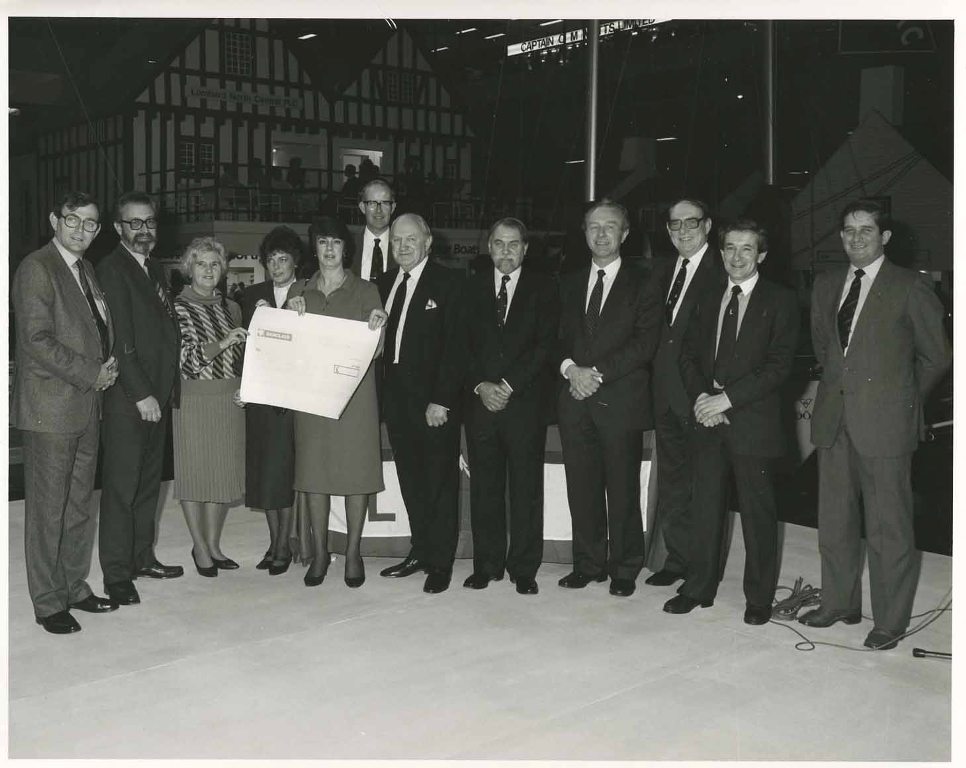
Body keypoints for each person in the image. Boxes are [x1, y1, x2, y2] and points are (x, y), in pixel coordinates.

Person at [799, 199, 951, 650]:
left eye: (866, 230)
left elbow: (938, 356)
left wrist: (901, 398)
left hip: (885, 424)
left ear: (885, 237)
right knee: (835, 520)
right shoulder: (826, 284)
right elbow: (825, 349)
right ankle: (838, 603)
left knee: (889, 527)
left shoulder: (909, 286)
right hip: (834, 420)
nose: (856, 238)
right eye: (849, 230)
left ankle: (889, 621)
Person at [665, 219, 799, 623]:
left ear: (762, 254)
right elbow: (687, 355)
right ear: (720, 252)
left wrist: (726, 399)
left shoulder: (781, 300)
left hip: (752, 422)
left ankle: (758, 598)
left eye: (747, 248)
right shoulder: (707, 295)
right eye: (730, 248)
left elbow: (779, 366)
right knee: (705, 507)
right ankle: (698, 587)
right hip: (708, 419)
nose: (737, 257)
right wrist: (702, 399)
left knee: (758, 514)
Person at [12, 191, 119, 634]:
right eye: (72, 220)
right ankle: (47, 602)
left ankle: (74, 586)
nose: (80, 230)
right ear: (55, 220)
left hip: (86, 404)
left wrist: (106, 365)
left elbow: (93, 328)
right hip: (51, 409)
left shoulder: (86, 269)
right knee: (48, 510)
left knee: (78, 505)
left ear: (98, 230)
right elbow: (36, 340)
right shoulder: (36, 268)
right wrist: (92, 372)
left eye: (90, 223)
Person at [555, 199, 662, 598]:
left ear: (625, 233)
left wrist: (594, 373)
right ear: (584, 233)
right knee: (581, 489)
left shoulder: (645, 281)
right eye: (594, 227)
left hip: (619, 400)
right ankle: (588, 564)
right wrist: (571, 369)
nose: (601, 234)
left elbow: (645, 343)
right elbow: (554, 337)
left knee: (622, 490)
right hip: (574, 399)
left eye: (610, 226)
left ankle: (624, 568)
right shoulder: (567, 282)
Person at [286, 216, 387, 588]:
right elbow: (286, 346)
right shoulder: (299, 289)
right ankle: (319, 552)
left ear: (346, 249)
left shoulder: (366, 291)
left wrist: (378, 325)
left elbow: (377, 350)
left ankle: (354, 552)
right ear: (315, 248)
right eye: (322, 242)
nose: (329, 249)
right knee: (314, 475)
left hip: (355, 398)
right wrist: (288, 315)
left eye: (336, 242)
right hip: (311, 397)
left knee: (356, 474)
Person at [462, 218, 559, 595]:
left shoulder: (544, 288)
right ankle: (486, 565)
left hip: (524, 405)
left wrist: (507, 385)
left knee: (525, 490)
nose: (506, 251)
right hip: (481, 404)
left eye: (513, 244)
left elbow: (544, 345)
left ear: (525, 249)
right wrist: (481, 385)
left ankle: (523, 568)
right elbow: (459, 343)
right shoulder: (470, 287)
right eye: (499, 243)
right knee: (484, 489)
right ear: (489, 247)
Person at [96, 192, 183, 606]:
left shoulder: (153, 268)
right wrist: (142, 393)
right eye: (134, 223)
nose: (143, 229)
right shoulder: (112, 269)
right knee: (121, 488)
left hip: (157, 396)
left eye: (149, 221)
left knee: (148, 485)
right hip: (131, 401)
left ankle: (142, 558)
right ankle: (116, 575)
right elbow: (120, 341)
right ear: (118, 228)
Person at [377, 213, 466, 593]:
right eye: (397, 240)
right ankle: (421, 551)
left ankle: (441, 563)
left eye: (411, 239)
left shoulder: (450, 282)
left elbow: (456, 346)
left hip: (433, 404)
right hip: (396, 402)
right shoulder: (384, 283)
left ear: (428, 242)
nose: (403, 246)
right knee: (411, 480)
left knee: (439, 482)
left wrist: (441, 400)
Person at [646, 197, 725, 588]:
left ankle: (701, 573)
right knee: (674, 483)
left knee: (705, 489)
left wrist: (715, 394)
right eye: (675, 224)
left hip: (702, 397)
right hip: (664, 395)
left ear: (707, 226)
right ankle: (678, 559)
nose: (682, 231)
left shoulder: (723, 269)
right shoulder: (662, 270)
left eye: (691, 222)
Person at [171, 237, 248, 577]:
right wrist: (222, 342)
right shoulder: (177, 307)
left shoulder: (231, 308)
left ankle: (214, 545)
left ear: (223, 270)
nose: (208, 270)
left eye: (214, 264)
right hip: (193, 400)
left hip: (229, 400)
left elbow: (242, 357)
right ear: (189, 268)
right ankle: (199, 546)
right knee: (195, 475)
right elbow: (186, 361)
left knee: (222, 474)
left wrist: (247, 386)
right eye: (201, 263)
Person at [239, 226, 308, 574]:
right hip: (260, 397)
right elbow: (243, 347)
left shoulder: (308, 293)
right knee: (264, 472)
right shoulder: (251, 296)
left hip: (293, 400)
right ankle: (272, 542)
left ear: (295, 262)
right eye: (271, 260)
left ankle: (284, 544)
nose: (277, 266)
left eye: (283, 259)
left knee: (285, 473)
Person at [354, 178, 396, 282]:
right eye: (372, 203)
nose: (379, 210)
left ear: (393, 207)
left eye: (385, 203)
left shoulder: (403, 247)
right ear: (362, 207)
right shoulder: (349, 245)